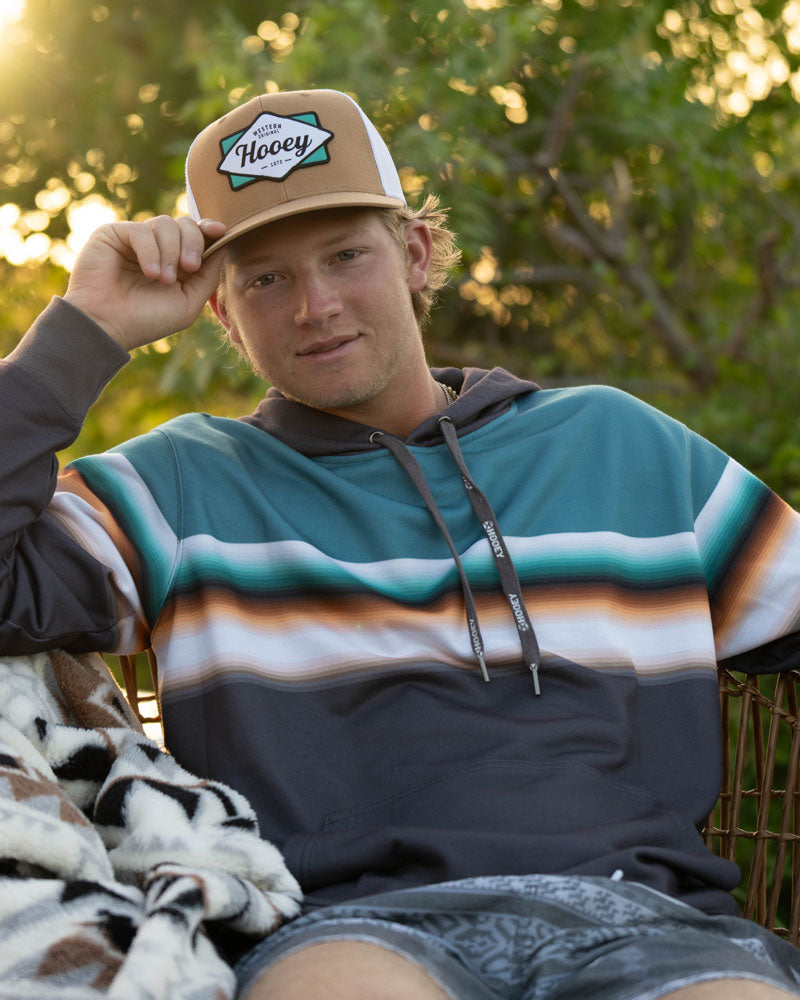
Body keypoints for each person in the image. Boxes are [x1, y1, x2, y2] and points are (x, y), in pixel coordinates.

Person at [2, 87, 800, 1000]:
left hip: (651, 923)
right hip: (346, 932)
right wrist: (82, 334)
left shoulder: (620, 444)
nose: (316, 305)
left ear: (416, 254)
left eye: (347, 255)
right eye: (265, 278)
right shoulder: (180, 485)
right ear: (221, 313)